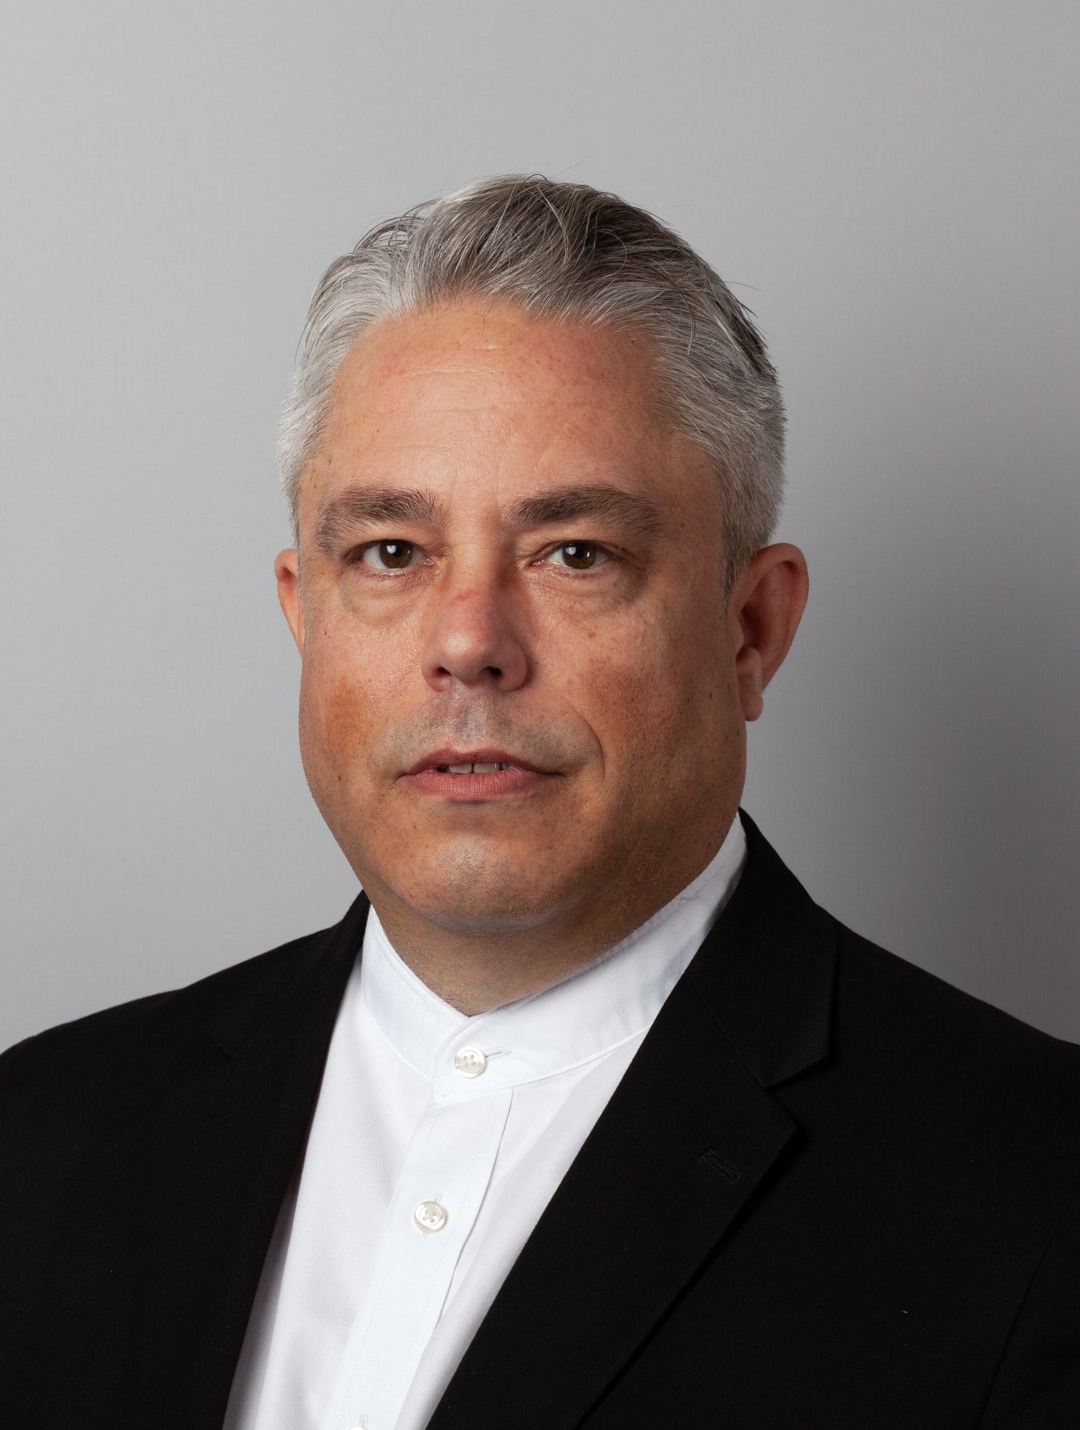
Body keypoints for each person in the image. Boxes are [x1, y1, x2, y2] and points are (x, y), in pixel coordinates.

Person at [1, 175, 1078, 1430]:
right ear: (304, 616)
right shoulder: (43, 1138)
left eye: (577, 553)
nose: (469, 644)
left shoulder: (1038, 1202)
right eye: (392, 553)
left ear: (750, 629)